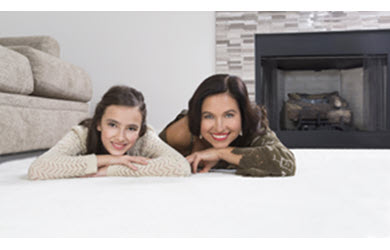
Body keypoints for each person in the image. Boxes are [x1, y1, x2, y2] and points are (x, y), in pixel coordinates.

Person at [28, 85, 191, 180]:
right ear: (99, 123)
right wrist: (107, 159)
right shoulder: (82, 134)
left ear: (140, 129)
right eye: (113, 125)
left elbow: (180, 166)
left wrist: (108, 170)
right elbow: (38, 168)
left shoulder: (145, 137)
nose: (121, 137)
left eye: (131, 128)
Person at [159, 74, 296, 177]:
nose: (219, 128)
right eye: (208, 116)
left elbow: (285, 161)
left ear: (243, 114)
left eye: (229, 115)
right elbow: (145, 148)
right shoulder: (183, 132)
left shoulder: (252, 124)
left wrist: (220, 153)